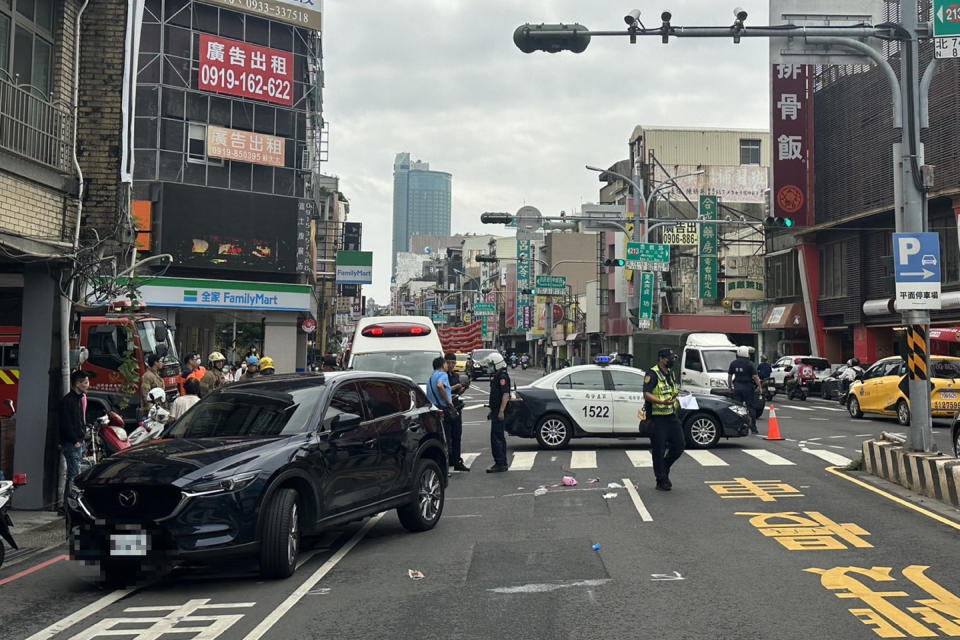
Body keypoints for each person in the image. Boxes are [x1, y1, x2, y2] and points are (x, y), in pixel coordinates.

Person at [643, 348, 685, 491]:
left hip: (671, 416)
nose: (671, 361)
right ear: (661, 359)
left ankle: (665, 466)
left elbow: (673, 391)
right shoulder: (652, 374)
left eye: (673, 358)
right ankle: (661, 479)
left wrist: (681, 399)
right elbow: (646, 394)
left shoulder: (670, 374)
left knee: (680, 445)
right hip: (657, 418)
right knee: (658, 449)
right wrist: (661, 402)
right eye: (669, 358)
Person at [59, 370, 90, 511]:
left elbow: (80, 420)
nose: (88, 385)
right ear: (77, 384)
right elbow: (65, 424)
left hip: (79, 441)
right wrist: (75, 440)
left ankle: (69, 504)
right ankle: (69, 506)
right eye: (85, 382)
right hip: (71, 443)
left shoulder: (80, 398)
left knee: (75, 474)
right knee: (74, 475)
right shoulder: (68, 401)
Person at [483, 352, 511, 473]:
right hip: (495, 410)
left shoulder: (502, 377)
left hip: (499, 411)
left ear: (497, 364)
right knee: (497, 436)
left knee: (497, 437)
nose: (489, 367)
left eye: (491, 364)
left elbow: (505, 395)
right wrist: (491, 410)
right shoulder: (497, 375)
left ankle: (500, 463)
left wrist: (501, 411)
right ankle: (501, 462)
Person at [444, 352, 470, 472]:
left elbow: (457, 394)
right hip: (445, 409)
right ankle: (447, 460)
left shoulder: (455, 376)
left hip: (456, 407)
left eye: (453, 363)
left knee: (457, 436)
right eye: (448, 362)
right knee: (447, 436)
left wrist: (463, 388)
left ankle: (457, 460)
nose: (451, 365)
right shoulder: (442, 376)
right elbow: (443, 390)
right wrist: (455, 387)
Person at [728, 346, 762, 434]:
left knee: (737, 407)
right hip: (748, 387)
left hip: (737, 387)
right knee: (751, 407)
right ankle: (753, 428)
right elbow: (755, 376)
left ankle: (737, 426)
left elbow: (730, 375)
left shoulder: (733, 363)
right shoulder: (750, 364)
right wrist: (760, 386)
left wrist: (730, 386)